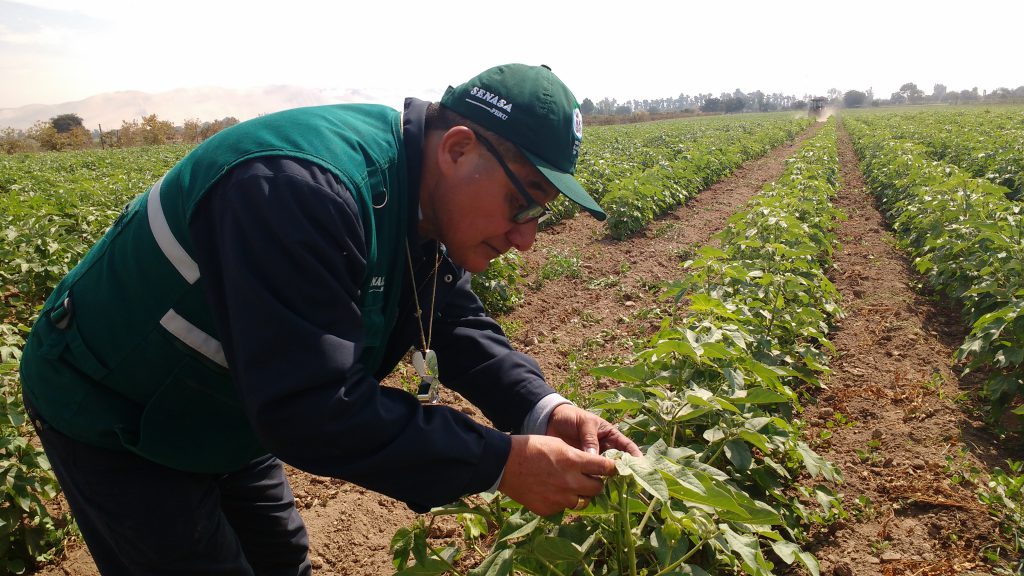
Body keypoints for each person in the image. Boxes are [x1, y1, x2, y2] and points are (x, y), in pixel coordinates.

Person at [19, 63, 641, 575]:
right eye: (522, 202)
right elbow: (312, 407)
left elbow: (447, 315)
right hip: (116, 407)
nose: (527, 237)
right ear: (457, 148)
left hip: (231, 399)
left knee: (281, 559)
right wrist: (499, 462)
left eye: (540, 213)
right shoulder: (301, 189)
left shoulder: (419, 192)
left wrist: (545, 410)